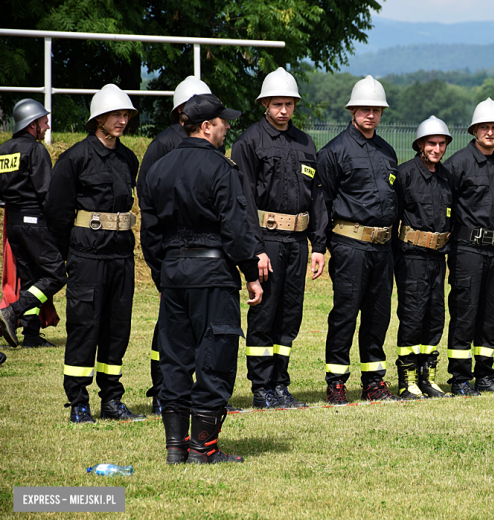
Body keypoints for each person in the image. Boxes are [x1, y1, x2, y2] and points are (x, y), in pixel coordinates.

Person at [140, 93, 262, 464]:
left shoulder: (158, 168)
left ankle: (175, 449)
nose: (227, 126)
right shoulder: (222, 169)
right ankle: (203, 449)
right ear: (206, 126)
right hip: (213, 275)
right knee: (215, 356)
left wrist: (164, 274)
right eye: (223, 121)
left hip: (174, 273)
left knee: (175, 359)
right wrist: (251, 274)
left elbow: (150, 232)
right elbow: (236, 229)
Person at [46, 84, 145, 424]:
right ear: (98, 118)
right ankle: (78, 402)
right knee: (84, 328)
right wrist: (65, 256)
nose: (122, 120)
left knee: (117, 329)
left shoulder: (128, 158)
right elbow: (57, 214)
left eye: (126, 115)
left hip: (121, 257)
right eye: (116, 114)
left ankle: (112, 399)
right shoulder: (74, 158)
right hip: (86, 258)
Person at [231, 68, 326, 410]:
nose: (284, 110)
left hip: (298, 243)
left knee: (290, 315)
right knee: (264, 315)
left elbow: (316, 197)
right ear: (265, 104)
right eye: (277, 104)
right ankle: (261, 387)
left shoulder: (305, 143)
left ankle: (280, 384)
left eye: (289, 104)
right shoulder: (248, 143)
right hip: (266, 241)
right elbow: (242, 202)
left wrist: (319, 245)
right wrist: (255, 250)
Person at [315, 75, 400, 404]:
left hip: (383, 247)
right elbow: (322, 205)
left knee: (379, 314)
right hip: (349, 245)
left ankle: (374, 382)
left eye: (377, 110)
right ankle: (336, 381)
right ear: (352, 110)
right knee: (345, 313)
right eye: (365, 109)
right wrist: (319, 248)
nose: (371, 115)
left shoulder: (388, 152)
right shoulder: (334, 151)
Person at [137, 76, 213, 415]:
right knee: (168, 331)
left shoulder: (205, 142)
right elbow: (149, 201)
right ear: (182, 110)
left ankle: (183, 392)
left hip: (197, 254)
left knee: (193, 327)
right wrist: (157, 266)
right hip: (173, 253)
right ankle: (161, 391)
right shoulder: (165, 145)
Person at [443, 98, 494, 396]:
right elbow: (443, 204)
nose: (490, 132)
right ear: (475, 130)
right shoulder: (458, 164)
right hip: (467, 250)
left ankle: (485, 374)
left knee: (491, 315)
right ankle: (460, 377)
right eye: (484, 127)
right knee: (465, 311)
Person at [392, 116, 452, 399]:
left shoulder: (447, 177)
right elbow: (393, 216)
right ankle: (408, 379)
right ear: (420, 145)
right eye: (431, 143)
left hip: (438, 257)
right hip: (411, 257)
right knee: (413, 316)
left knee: (435, 316)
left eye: (441, 144)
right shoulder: (405, 174)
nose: (437, 149)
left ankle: (428, 377)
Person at [0, 99, 66, 348]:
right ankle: (12, 311)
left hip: (13, 223)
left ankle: (30, 335)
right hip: (34, 221)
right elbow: (47, 193)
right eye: (44, 121)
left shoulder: (3, 150)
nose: (47, 126)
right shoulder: (36, 151)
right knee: (56, 275)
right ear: (32, 124)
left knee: (30, 278)